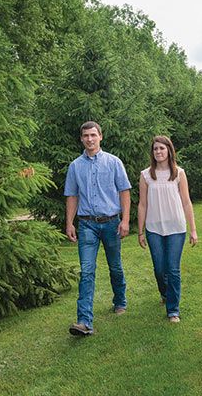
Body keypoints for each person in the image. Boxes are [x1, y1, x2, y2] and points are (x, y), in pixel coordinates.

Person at [64, 121, 132, 336]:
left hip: (111, 222)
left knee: (115, 266)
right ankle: (84, 321)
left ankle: (120, 301)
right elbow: (72, 195)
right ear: (81, 139)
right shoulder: (75, 166)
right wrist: (69, 223)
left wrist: (125, 220)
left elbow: (124, 192)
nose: (89, 139)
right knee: (87, 271)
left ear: (100, 137)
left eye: (93, 135)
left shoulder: (113, 162)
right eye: (86, 136)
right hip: (86, 225)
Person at [137, 136, 198, 323]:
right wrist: (140, 231)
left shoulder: (179, 173)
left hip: (176, 227)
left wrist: (193, 230)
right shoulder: (146, 175)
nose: (158, 152)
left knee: (173, 268)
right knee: (159, 268)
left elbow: (187, 202)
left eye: (162, 148)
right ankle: (164, 293)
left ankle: (173, 310)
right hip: (154, 228)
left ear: (169, 151)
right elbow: (142, 204)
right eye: (155, 149)